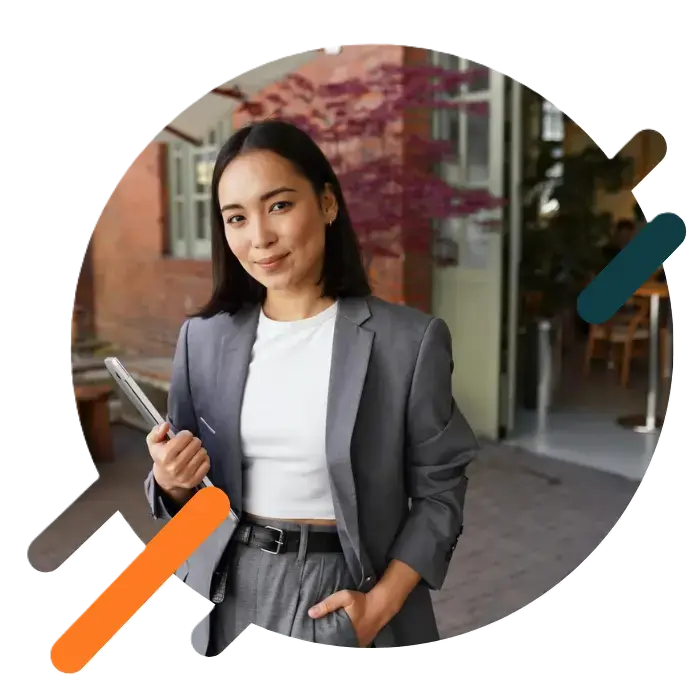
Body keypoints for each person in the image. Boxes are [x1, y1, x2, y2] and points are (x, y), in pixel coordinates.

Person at [144, 118, 479, 654]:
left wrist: (381, 605)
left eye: (278, 205)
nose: (260, 238)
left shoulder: (407, 342)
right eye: (237, 217)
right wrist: (172, 480)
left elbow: (441, 491)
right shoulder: (202, 341)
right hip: (222, 585)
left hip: (343, 589)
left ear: (327, 204)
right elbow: (182, 495)